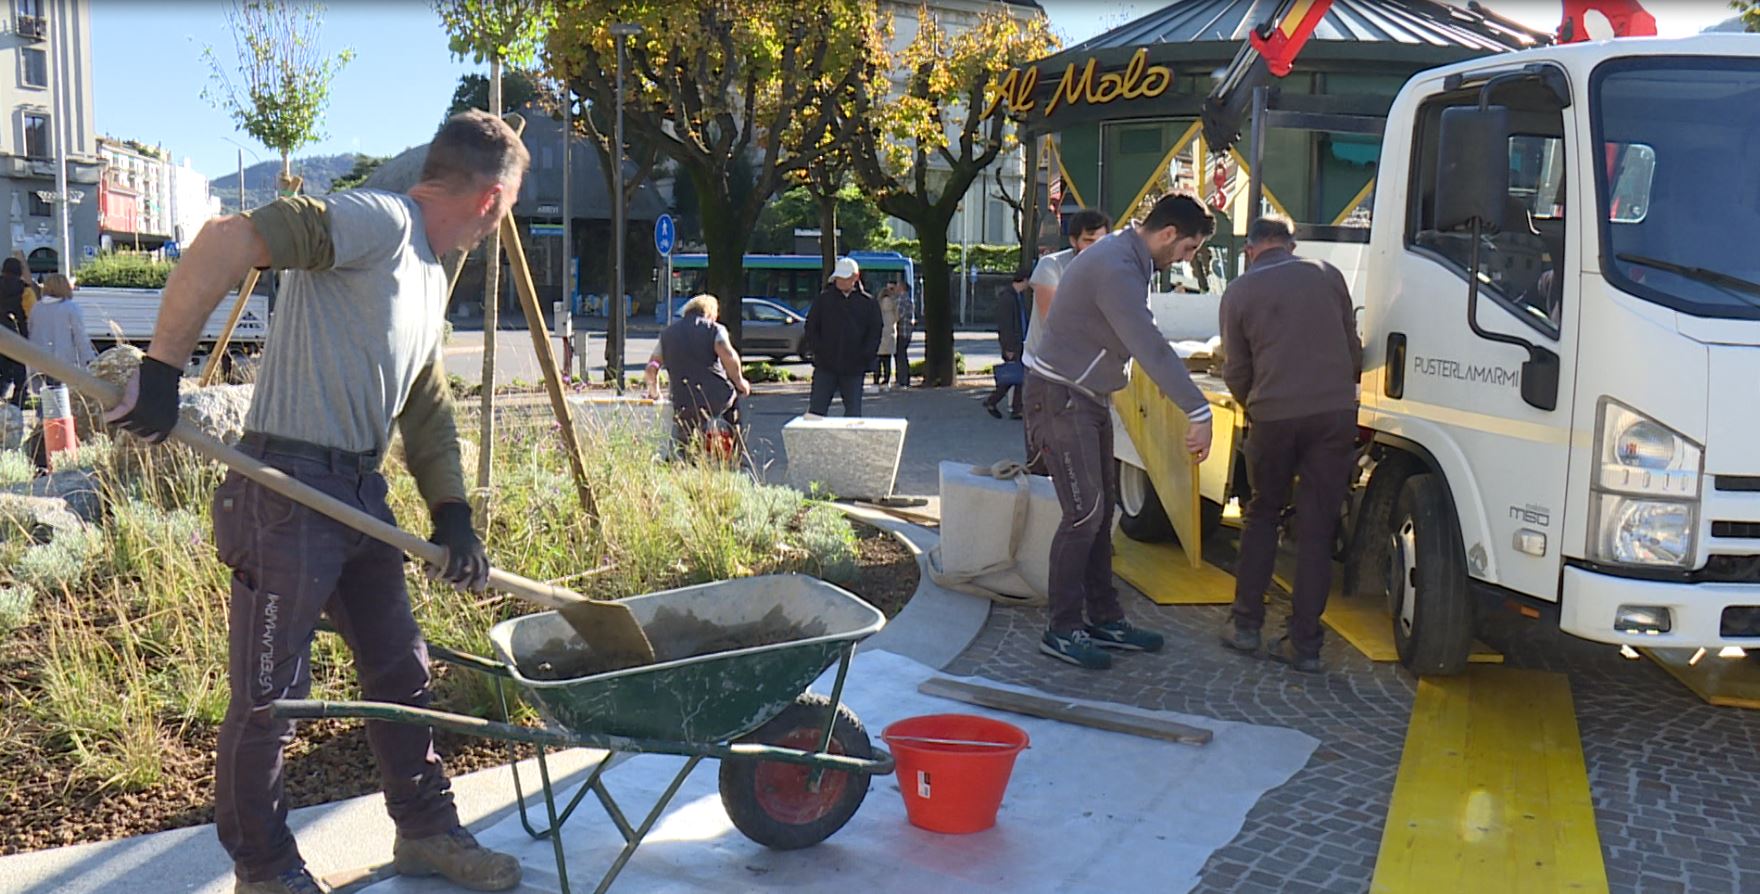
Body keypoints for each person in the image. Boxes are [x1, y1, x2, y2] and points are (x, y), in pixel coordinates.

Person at [103, 110, 527, 894]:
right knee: (269, 700)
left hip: (360, 492)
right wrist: (163, 370)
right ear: (491, 200)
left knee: (401, 672)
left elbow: (425, 405)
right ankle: (264, 871)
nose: (494, 230)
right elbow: (226, 240)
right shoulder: (378, 221)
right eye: (503, 214)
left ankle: (427, 831)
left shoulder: (429, 273)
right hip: (287, 491)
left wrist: (453, 514)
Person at [1023, 193, 1216, 670]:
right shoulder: (1117, 265)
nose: (1187, 260)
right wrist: (1199, 411)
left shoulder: (1128, 257)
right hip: (1061, 397)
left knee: (1101, 510)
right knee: (1084, 513)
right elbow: (1148, 345)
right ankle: (1062, 628)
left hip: (1082, 396)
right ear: (1168, 234)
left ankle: (1104, 617)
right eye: (1189, 249)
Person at [1218, 215, 1363, 674]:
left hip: (1274, 416)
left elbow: (1236, 369)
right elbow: (1353, 348)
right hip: (1334, 416)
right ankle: (1305, 645)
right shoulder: (1327, 275)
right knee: (1318, 526)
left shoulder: (1239, 291)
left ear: (1251, 249)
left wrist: (1255, 405)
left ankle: (1245, 625)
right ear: (1290, 245)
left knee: (1263, 513)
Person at [1020, 208, 1111, 472]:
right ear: (1073, 241)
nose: (1096, 249)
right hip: (1044, 370)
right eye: (1089, 241)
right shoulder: (1052, 266)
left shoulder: (1111, 272)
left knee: (1079, 456)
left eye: (1103, 242)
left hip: (1085, 374)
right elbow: (1056, 321)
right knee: (1042, 454)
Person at [643, 293, 751, 456]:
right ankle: (736, 453)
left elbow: (652, 367)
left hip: (683, 399)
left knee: (684, 431)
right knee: (733, 407)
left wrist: (654, 392)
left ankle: (684, 457)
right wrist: (739, 381)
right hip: (717, 397)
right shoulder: (715, 329)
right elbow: (727, 355)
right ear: (710, 313)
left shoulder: (667, 334)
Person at [803, 256, 881, 417]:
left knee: (853, 412)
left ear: (855, 278)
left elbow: (875, 332)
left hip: (854, 367)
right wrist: (819, 350)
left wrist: (865, 356)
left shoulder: (868, 303)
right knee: (816, 411)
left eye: (845, 279)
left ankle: (850, 441)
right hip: (825, 365)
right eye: (838, 278)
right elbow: (811, 327)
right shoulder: (824, 300)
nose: (841, 282)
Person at [26, 273, 94, 387]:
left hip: (38, 358)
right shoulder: (71, 307)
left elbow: (31, 330)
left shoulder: (37, 307)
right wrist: (88, 360)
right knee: (61, 396)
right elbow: (80, 336)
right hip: (62, 361)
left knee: (46, 395)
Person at [983, 270, 1030, 420]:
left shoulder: (1016, 296)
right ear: (1024, 280)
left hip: (1019, 342)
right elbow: (1005, 325)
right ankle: (994, 401)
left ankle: (1016, 408)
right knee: (1014, 375)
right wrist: (1008, 347)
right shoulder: (1008, 298)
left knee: (1018, 376)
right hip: (1013, 343)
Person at [0, 257, 37, 407]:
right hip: (18, 336)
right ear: (20, 272)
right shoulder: (26, 290)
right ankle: (17, 402)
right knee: (19, 372)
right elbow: (31, 314)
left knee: (3, 373)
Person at [874, 282, 899, 387]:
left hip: (879, 333)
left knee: (877, 359)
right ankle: (886, 379)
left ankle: (876, 378)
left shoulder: (877, 305)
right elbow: (897, 318)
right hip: (890, 333)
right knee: (887, 359)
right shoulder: (894, 305)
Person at [893, 281, 916, 388]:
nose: (896, 287)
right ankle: (903, 379)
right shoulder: (908, 299)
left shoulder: (902, 299)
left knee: (900, 355)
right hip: (907, 331)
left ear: (902, 287)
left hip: (901, 331)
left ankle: (903, 379)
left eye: (898, 286)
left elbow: (898, 315)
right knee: (902, 355)